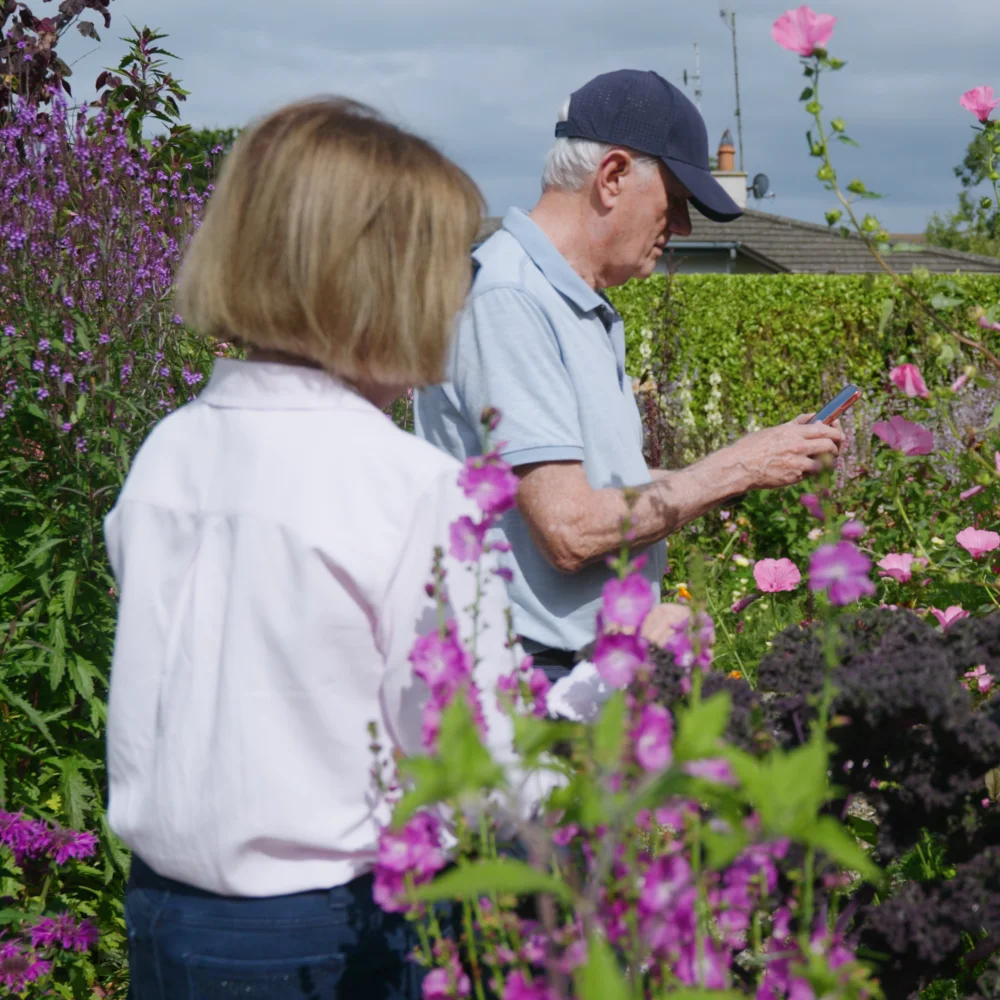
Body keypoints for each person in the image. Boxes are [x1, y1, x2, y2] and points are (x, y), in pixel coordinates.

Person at [104, 97, 523, 1000]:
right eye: (449, 265)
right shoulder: (409, 484)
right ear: (387, 279)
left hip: (167, 917)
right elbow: (476, 748)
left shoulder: (168, 450)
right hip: (342, 928)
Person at [415, 70, 842, 683]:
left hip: (577, 673)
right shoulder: (511, 299)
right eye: (676, 201)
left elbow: (591, 490)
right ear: (613, 176)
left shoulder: (573, 302)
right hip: (523, 687)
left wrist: (754, 467)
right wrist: (737, 466)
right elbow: (569, 529)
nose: (683, 229)